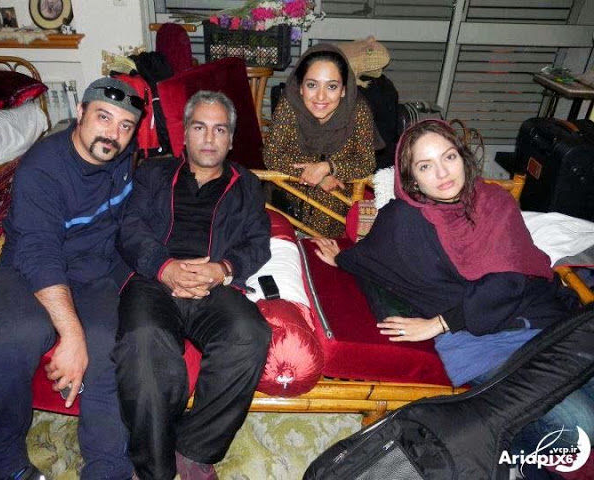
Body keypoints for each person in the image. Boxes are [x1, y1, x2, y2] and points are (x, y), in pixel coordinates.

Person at [313, 119, 594, 478]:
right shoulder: (402, 219)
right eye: (425, 166)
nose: (443, 173)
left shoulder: (494, 202)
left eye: (448, 157)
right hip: (481, 342)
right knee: (578, 428)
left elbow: (509, 281)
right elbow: (372, 257)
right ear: (411, 178)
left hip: (539, 316)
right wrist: (342, 259)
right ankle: (512, 454)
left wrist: (438, 322)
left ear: (462, 157)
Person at [0, 77, 144, 480]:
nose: (113, 134)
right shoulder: (42, 168)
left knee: (108, 343)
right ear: (79, 113)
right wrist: (72, 334)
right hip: (27, 269)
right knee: (22, 334)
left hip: (95, 272)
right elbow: (39, 254)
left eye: (125, 125)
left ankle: (107, 469)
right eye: (103, 117)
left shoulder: (123, 156)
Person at [113, 90, 272, 480]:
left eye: (220, 129)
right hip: (153, 280)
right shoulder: (153, 173)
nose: (209, 138)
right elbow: (130, 228)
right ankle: (154, 467)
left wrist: (223, 269)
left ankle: (195, 449)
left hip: (212, 286)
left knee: (249, 334)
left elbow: (258, 243)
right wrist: (164, 267)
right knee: (144, 342)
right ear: (184, 134)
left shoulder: (247, 184)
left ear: (231, 139)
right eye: (200, 127)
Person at [263, 43, 382, 236]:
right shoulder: (289, 106)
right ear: (300, 87)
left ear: (343, 90)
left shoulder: (357, 112)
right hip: (286, 207)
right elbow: (271, 156)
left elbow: (366, 162)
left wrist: (328, 167)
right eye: (312, 85)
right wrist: (316, 177)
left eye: (332, 86)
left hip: (335, 217)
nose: (320, 96)